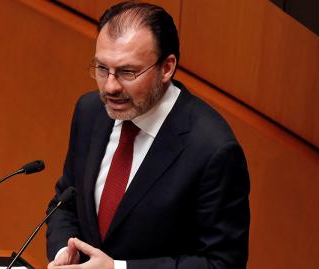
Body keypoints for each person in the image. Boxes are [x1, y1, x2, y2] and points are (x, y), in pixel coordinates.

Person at [45, 1, 250, 269]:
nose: (110, 86)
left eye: (127, 72)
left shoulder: (213, 149)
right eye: (102, 68)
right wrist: (64, 251)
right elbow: (66, 202)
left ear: (167, 68)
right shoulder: (90, 112)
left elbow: (222, 263)